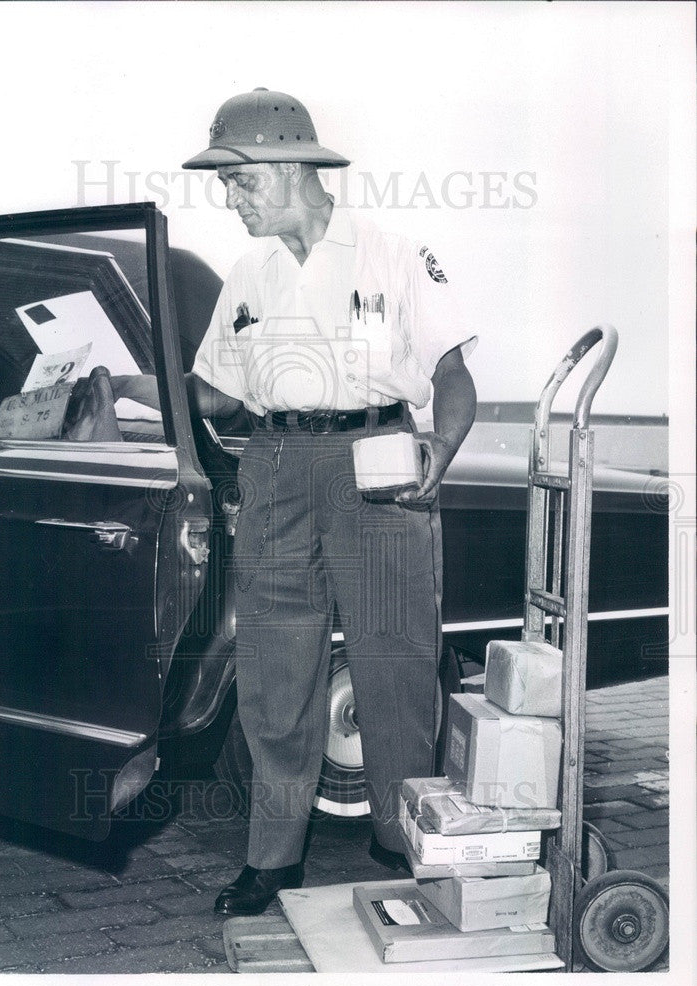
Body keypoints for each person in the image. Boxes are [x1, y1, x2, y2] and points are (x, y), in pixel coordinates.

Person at [109, 88, 477, 916]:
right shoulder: (249, 274)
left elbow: (454, 375)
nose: (229, 199)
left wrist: (441, 453)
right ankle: (272, 859)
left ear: (286, 166)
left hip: (378, 456)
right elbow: (215, 395)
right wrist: (124, 385)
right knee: (274, 671)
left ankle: (400, 835)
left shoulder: (395, 255)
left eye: (238, 183)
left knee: (396, 663)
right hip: (274, 464)